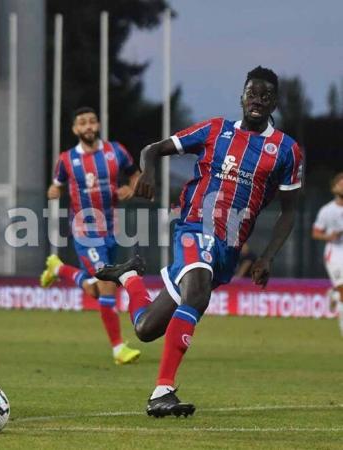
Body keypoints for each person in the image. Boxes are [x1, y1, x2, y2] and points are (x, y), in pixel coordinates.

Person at [96, 66, 303, 417]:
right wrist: (146, 170)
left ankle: (129, 278)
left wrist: (267, 257)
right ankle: (163, 391)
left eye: (265, 96)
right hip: (194, 226)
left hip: (230, 245)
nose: (257, 100)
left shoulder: (286, 150)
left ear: (274, 103)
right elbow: (154, 149)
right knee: (197, 291)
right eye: (252, 93)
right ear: (242, 95)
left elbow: (289, 212)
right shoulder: (215, 130)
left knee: (146, 329)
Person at [40, 107, 141, 365]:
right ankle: (118, 348)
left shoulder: (115, 151)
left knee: (98, 291)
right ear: (75, 129)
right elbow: (58, 184)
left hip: (111, 229)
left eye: (92, 122)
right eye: (82, 123)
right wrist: (54, 191)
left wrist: (132, 187)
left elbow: (134, 172)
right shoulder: (67, 159)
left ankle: (60, 268)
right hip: (86, 231)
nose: (88, 126)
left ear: (97, 125)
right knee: (108, 284)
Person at [312, 172, 343, 336]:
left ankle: (334, 294)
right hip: (335, 253)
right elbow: (316, 233)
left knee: (341, 291)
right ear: (334, 188)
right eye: (341, 183)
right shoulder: (327, 210)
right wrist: (328, 236)